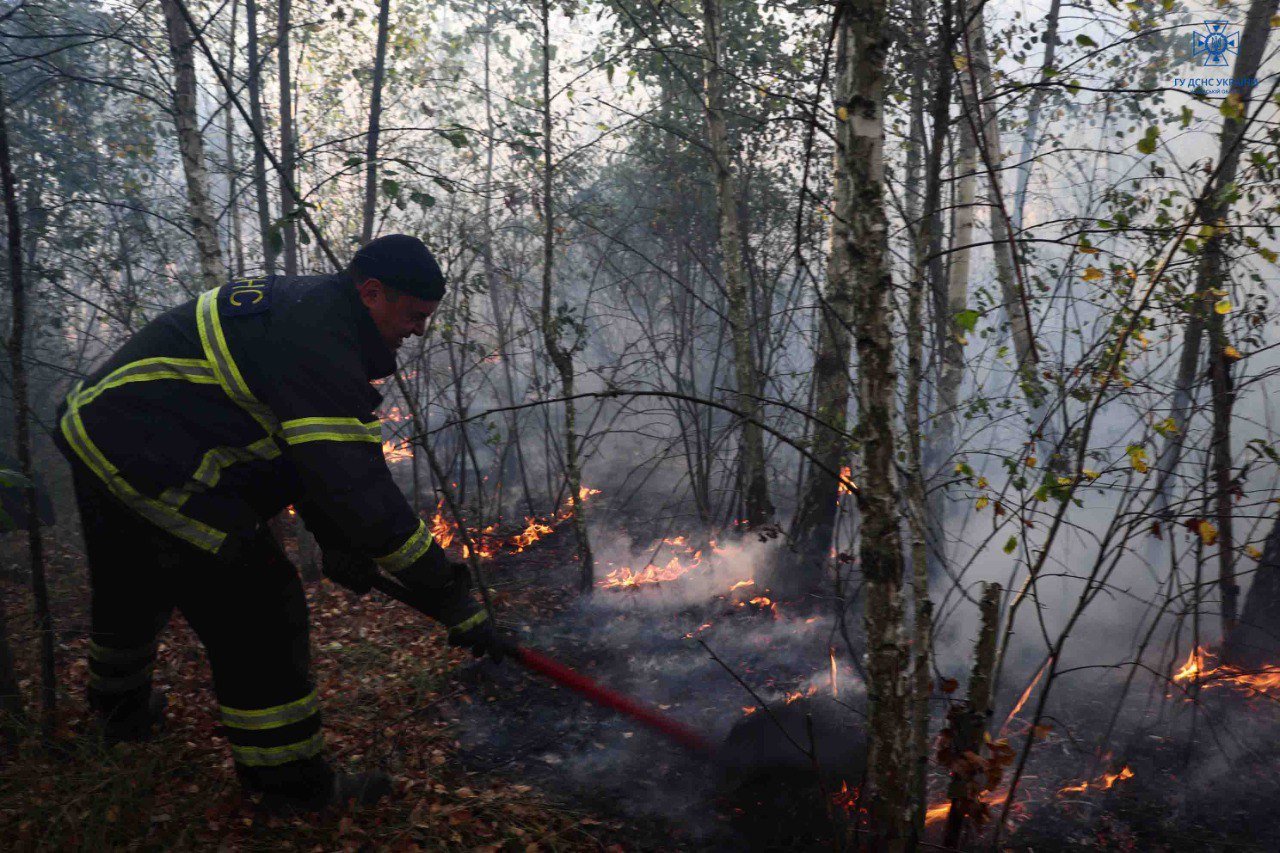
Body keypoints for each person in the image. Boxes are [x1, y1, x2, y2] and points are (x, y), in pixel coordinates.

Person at [54, 234, 501, 810]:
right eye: (415, 316)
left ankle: (119, 715)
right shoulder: (318, 340)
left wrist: (339, 545)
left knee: (134, 584)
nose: (419, 331)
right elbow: (356, 487)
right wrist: (451, 595)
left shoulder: (317, 320)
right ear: (372, 294)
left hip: (100, 431)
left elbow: (304, 461)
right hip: (142, 454)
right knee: (262, 602)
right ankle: (290, 788)